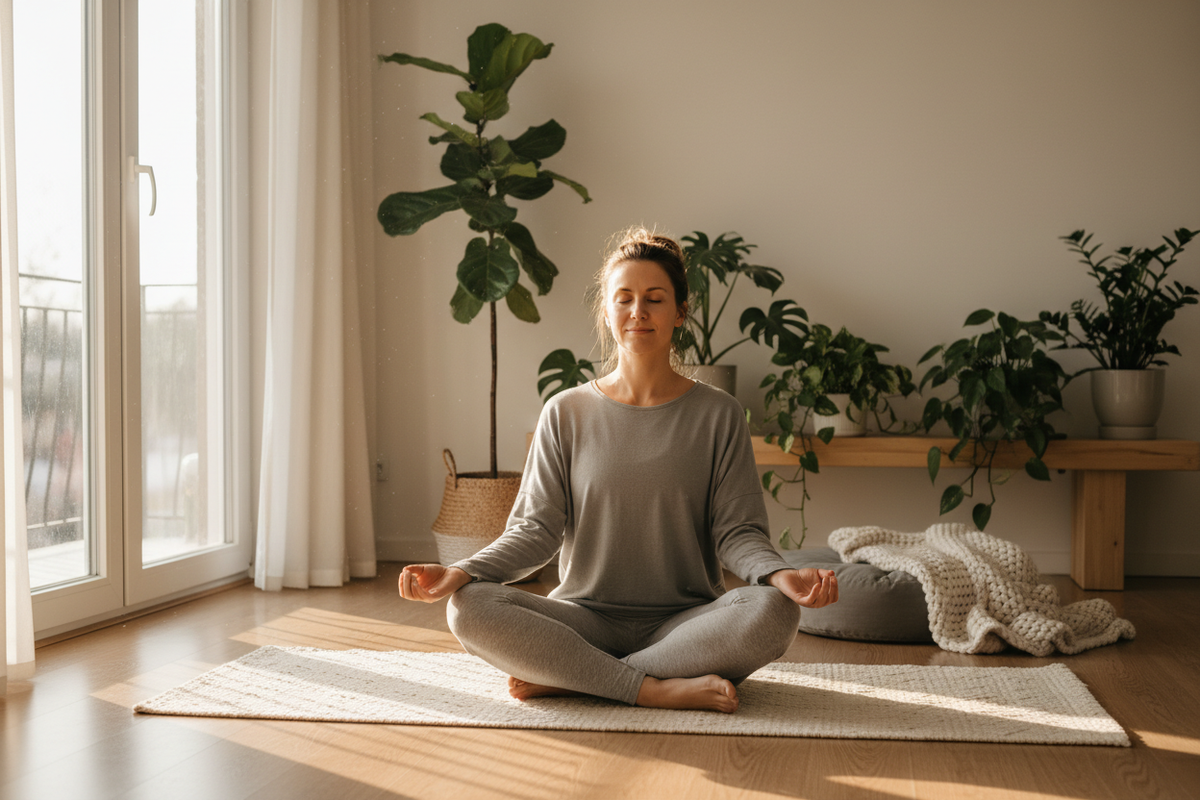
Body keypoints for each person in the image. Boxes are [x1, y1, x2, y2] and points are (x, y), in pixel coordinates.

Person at [399, 228, 838, 713]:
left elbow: (738, 532)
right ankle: (653, 688)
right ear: (607, 311)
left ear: (679, 311)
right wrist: (462, 571)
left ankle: (578, 676)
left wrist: (777, 574)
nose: (638, 312)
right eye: (624, 298)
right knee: (468, 606)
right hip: (582, 618)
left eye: (654, 299)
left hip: (687, 623)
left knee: (774, 611)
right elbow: (534, 531)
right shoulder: (564, 412)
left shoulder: (719, 414)